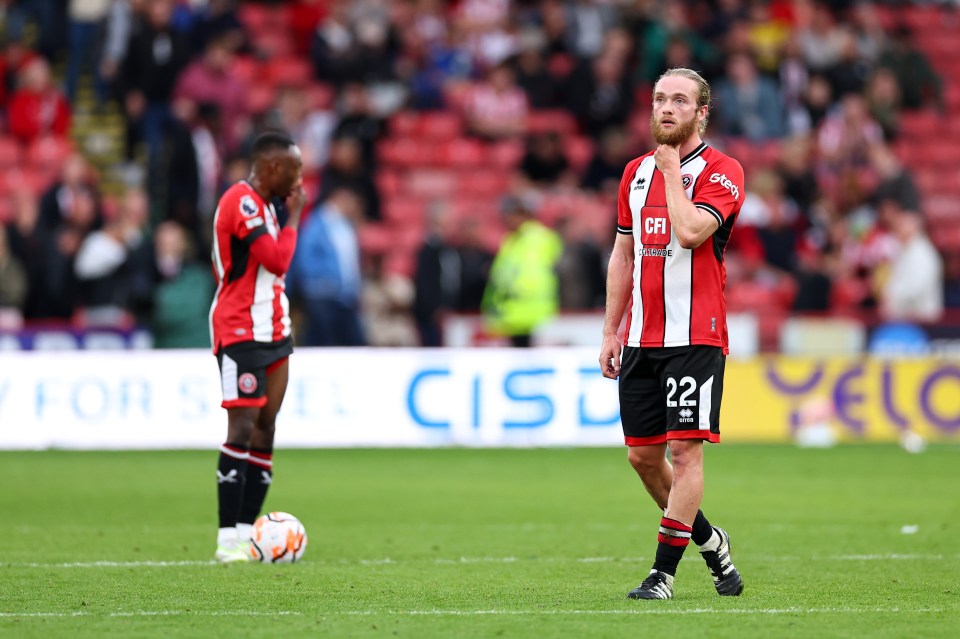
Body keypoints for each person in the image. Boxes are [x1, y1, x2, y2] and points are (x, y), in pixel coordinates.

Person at [599, 68, 745, 600]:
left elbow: (688, 232)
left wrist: (668, 174)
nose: (667, 108)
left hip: (696, 337)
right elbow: (623, 253)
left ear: (701, 113)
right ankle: (711, 541)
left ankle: (662, 574)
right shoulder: (632, 172)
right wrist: (611, 330)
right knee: (642, 457)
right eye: (660, 98)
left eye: (680, 101)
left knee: (685, 455)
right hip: (641, 338)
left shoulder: (723, 171)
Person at [209, 131, 306, 563]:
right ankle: (227, 538)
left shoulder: (269, 204)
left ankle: (250, 536)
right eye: (294, 169)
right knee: (242, 428)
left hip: (275, 329)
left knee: (267, 428)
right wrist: (296, 218)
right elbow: (276, 259)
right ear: (271, 168)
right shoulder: (243, 201)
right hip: (240, 329)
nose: (300, 180)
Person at [481, 194, 562, 347]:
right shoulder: (512, 239)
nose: (504, 219)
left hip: (532, 315)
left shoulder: (536, 238)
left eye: (509, 214)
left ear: (522, 214)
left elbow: (530, 275)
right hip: (514, 315)